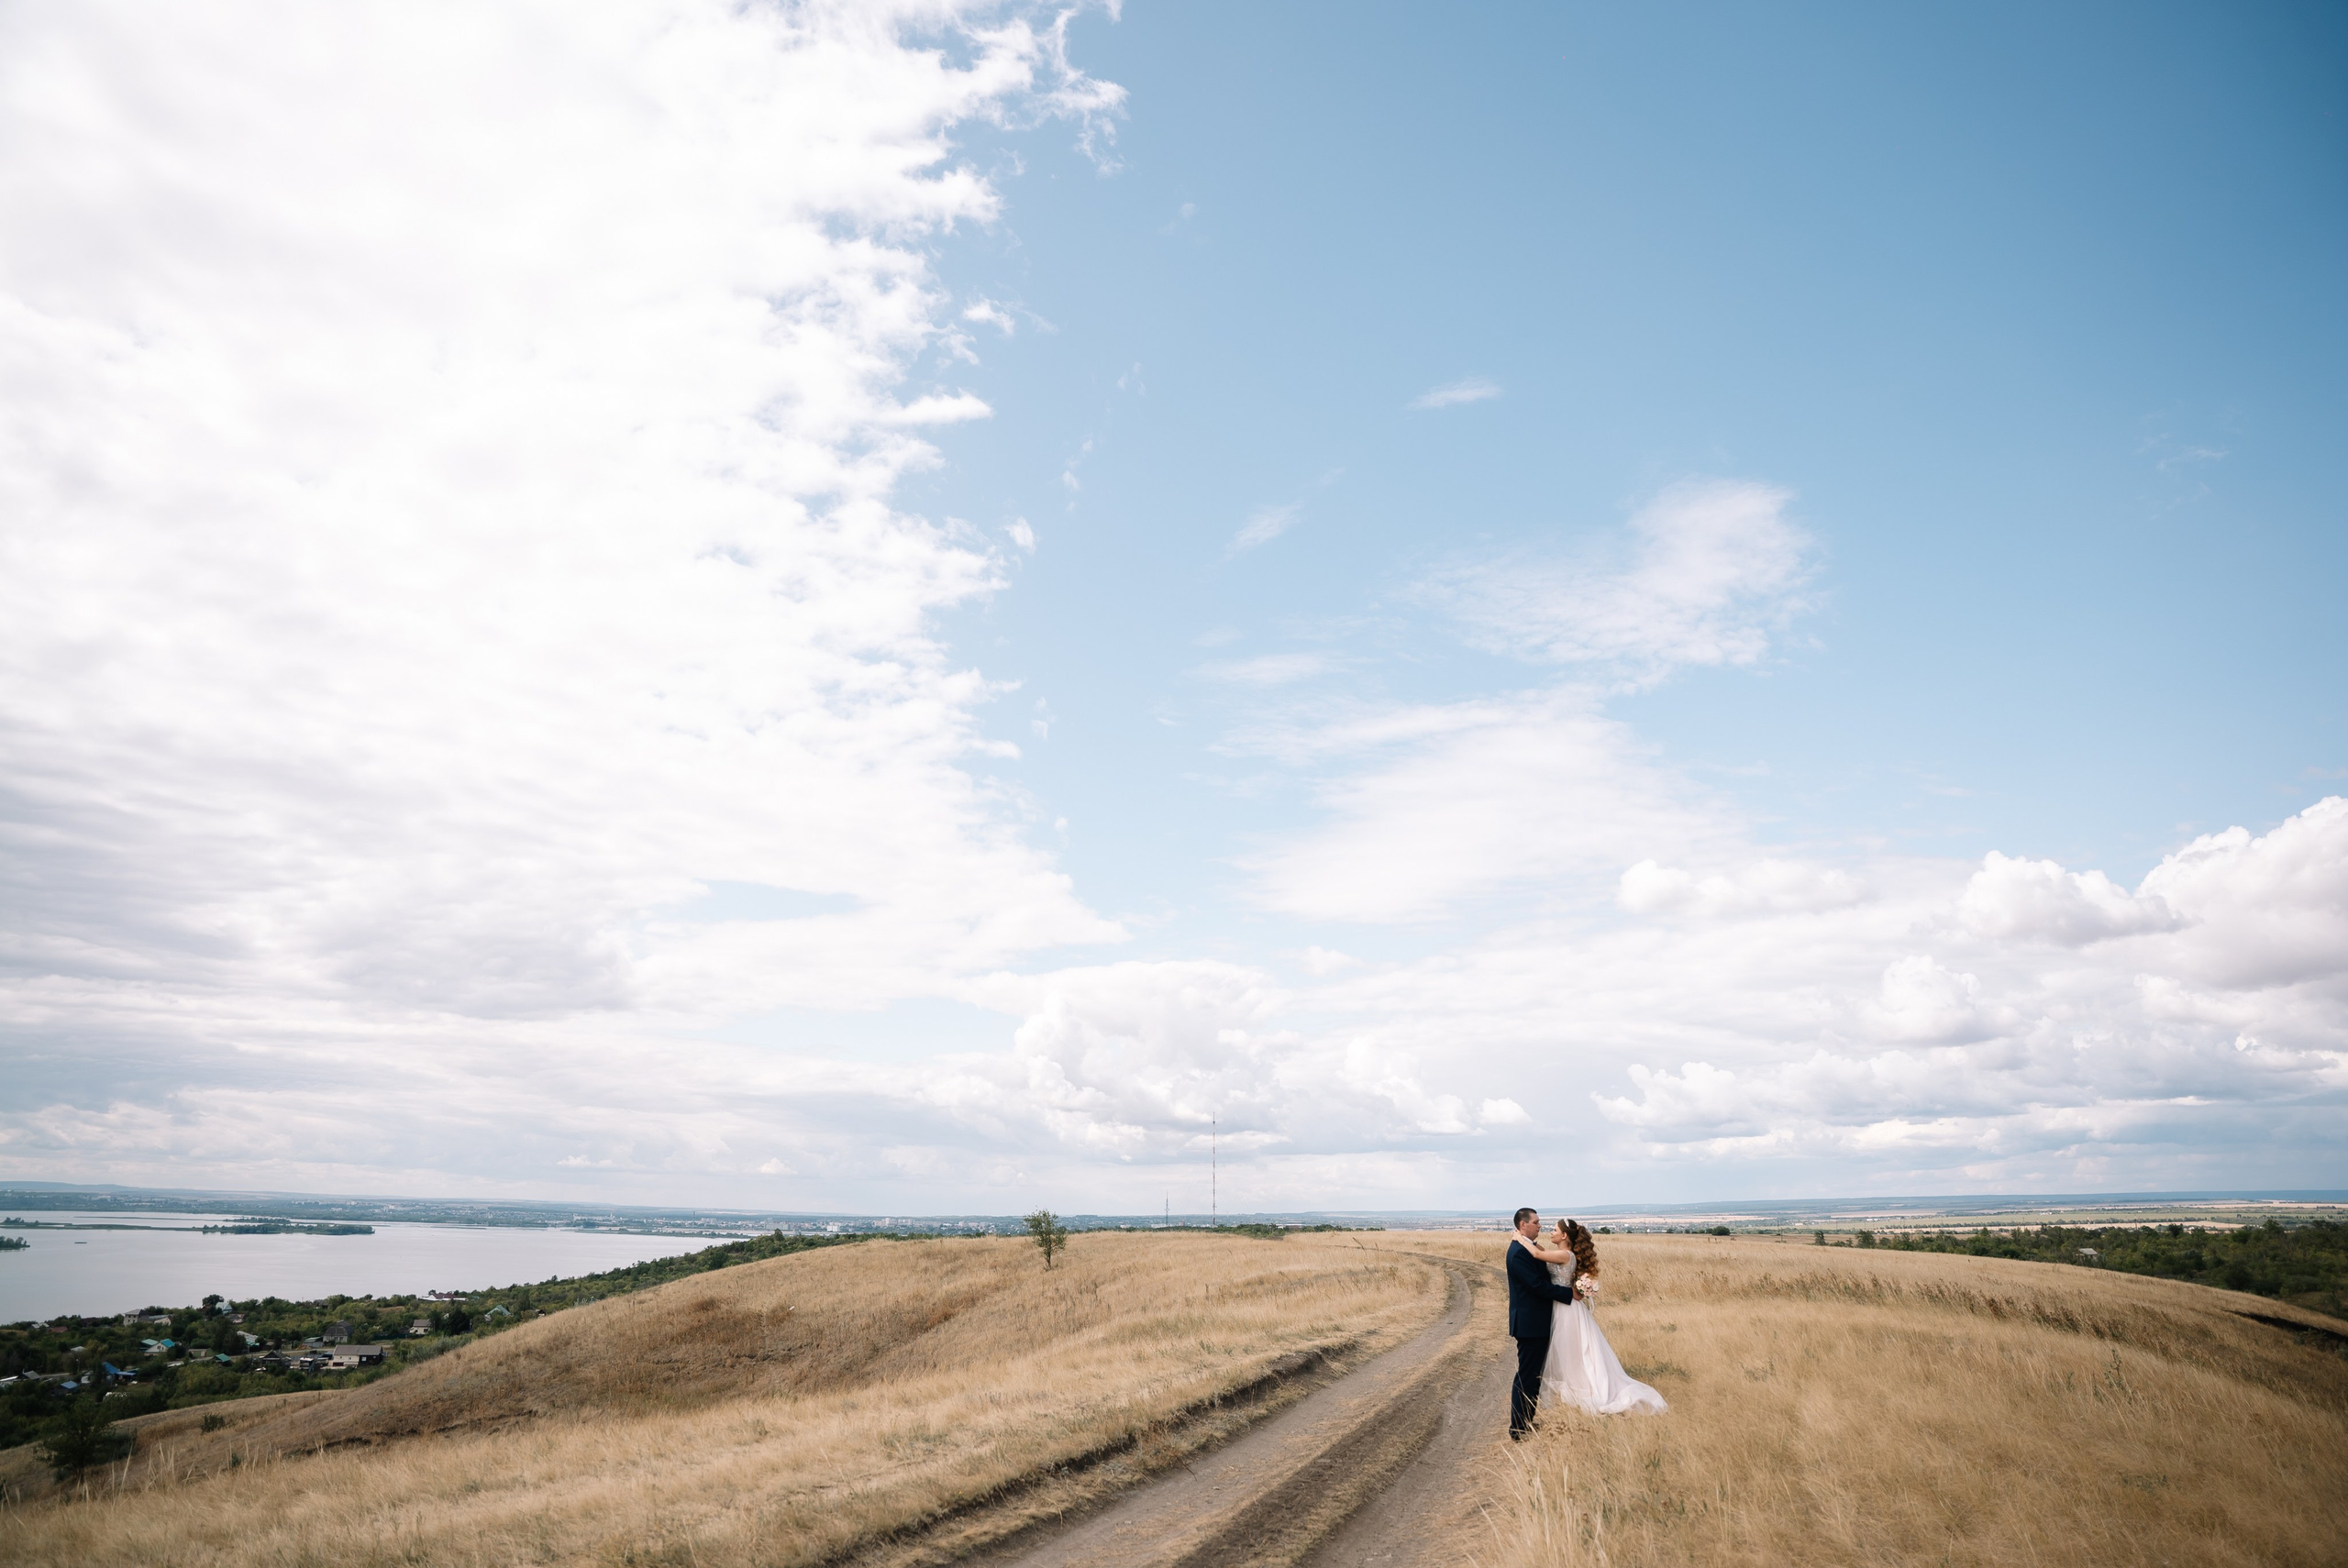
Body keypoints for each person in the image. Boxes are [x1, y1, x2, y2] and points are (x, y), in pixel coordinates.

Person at [1520, 1217, 1667, 1417]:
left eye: (1554, 1230)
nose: (1550, 1232)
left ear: (1564, 1236)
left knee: (1570, 1350)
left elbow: (1538, 1254)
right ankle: (1574, 1385)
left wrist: (1519, 1238)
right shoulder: (1563, 1253)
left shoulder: (1565, 1255)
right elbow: (1542, 1251)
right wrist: (1532, 1241)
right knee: (1570, 1350)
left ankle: (1583, 1388)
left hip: (1566, 1309)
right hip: (1561, 1305)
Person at [1504, 1207, 1582, 1440]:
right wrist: (1569, 1295)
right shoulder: (1518, 1252)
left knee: (1534, 1375)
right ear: (1523, 1225)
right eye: (1536, 1222)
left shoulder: (1526, 1247)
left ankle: (1527, 1421)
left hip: (1537, 1322)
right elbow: (1537, 1286)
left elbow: (1542, 1258)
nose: (1540, 1225)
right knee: (1526, 1375)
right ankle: (1517, 1429)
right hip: (1529, 1324)